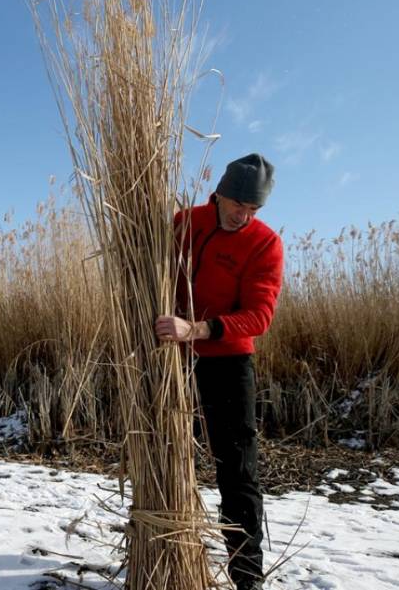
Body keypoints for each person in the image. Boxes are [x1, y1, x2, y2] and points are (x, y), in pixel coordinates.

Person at [155, 153, 283, 590]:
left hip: (227, 360)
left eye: (253, 210)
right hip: (169, 357)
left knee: (238, 470)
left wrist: (198, 329)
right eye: (237, 206)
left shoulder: (264, 243)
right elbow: (149, 266)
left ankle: (247, 579)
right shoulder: (185, 222)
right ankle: (162, 558)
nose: (242, 216)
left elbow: (259, 315)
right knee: (164, 452)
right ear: (220, 193)